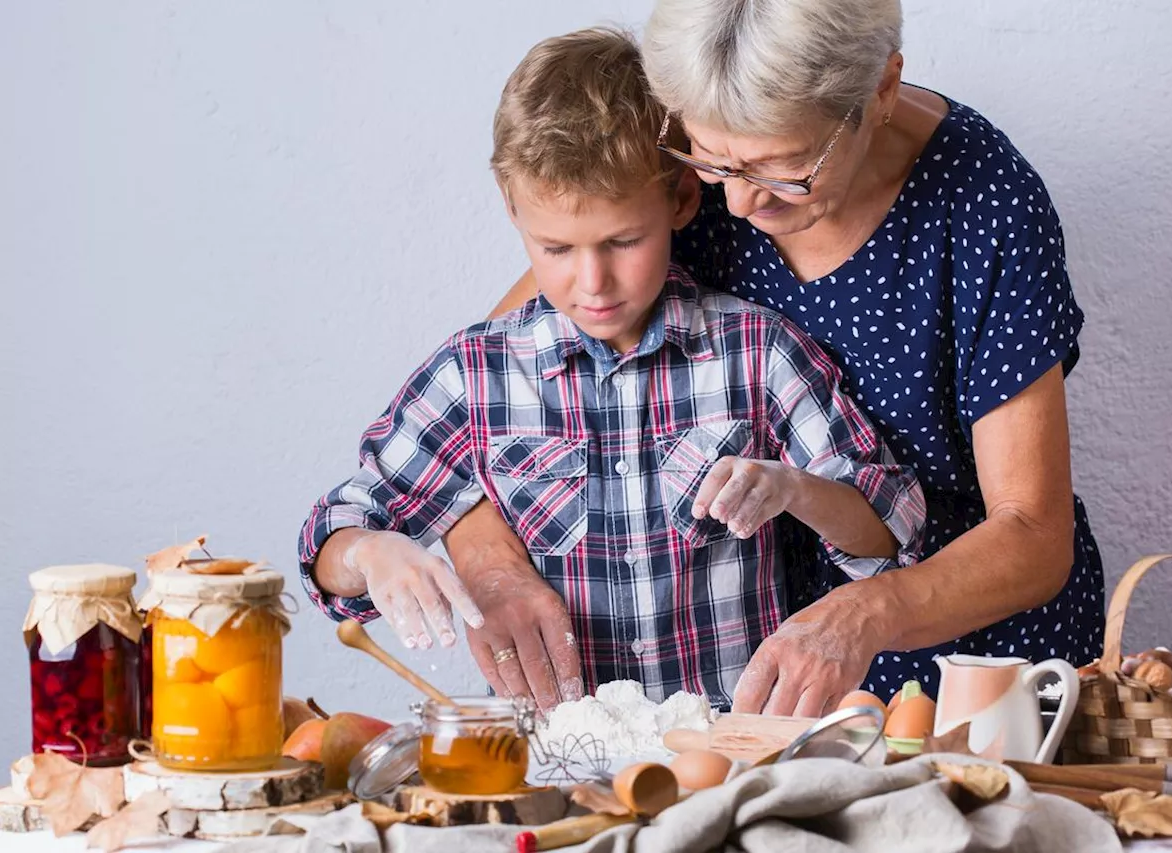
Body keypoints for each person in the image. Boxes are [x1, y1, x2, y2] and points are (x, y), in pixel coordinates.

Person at [458, 0, 1105, 717]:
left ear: (881, 91)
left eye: (786, 171)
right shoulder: (675, 164)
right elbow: (481, 404)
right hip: (754, 683)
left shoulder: (983, 202)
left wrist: (867, 612)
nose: (735, 203)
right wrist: (493, 570)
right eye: (714, 164)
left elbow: (1034, 535)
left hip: (973, 667)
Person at [297, 27, 926, 711]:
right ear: (514, 214)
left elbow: (893, 530)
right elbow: (331, 536)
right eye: (557, 247)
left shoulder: (760, 354)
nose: (592, 281)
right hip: (555, 774)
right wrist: (372, 555)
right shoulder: (474, 378)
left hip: (728, 763)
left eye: (624, 241)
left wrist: (794, 489)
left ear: (684, 200)